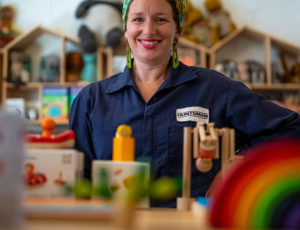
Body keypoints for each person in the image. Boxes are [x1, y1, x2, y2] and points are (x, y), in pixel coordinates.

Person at [69, 0, 300, 207]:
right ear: (125, 28)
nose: (149, 30)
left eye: (161, 19)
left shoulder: (215, 89)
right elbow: (77, 179)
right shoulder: (91, 100)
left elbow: (291, 128)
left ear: (177, 29)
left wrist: (237, 168)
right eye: (138, 19)